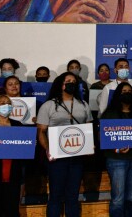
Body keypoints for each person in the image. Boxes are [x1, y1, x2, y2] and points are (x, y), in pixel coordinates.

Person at [37, 72, 92, 217]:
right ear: (60, 84)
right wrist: (48, 150)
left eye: (74, 81)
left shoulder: (83, 104)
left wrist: (90, 145)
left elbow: (88, 129)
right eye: (68, 81)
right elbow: (41, 132)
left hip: (77, 157)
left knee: (73, 196)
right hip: (57, 158)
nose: (71, 83)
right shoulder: (48, 105)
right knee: (55, 196)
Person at [102, 82, 132, 217]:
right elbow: (102, 138)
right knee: (118, 199)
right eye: (123, 91)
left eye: (129, 91)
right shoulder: (109, 113)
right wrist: (116, 149)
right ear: (118, 94)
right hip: (116, 160)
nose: (127, 93)